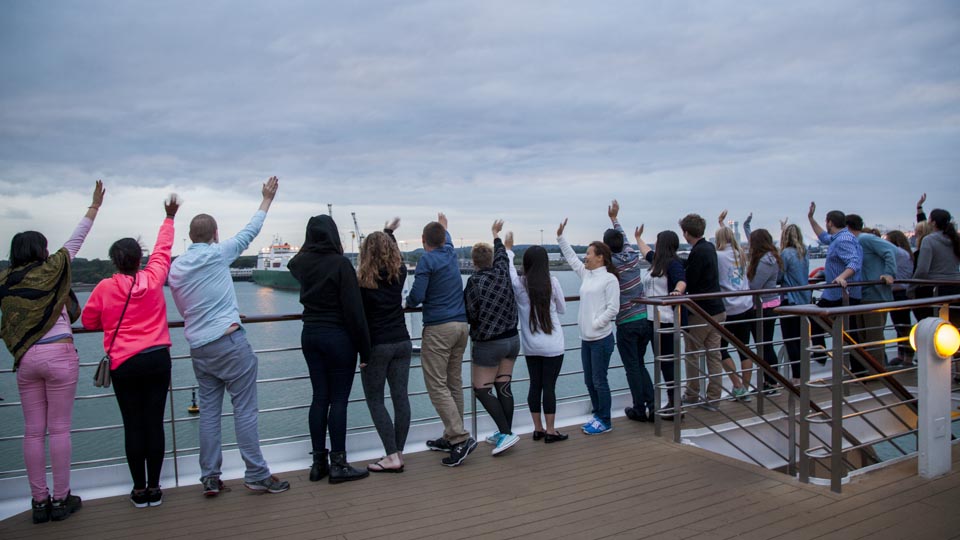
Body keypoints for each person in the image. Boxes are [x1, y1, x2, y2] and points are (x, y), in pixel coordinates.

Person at [167, 176, 289, 496]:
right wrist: (267, 198)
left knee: (209, 413)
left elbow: (194, 302)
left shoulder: (176, 268)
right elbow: (252, 229)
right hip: (229, 343)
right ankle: (256, 473)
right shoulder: (218, 253)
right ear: (215, 235)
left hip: (199, 349)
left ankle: (209, 476)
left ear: (190, 237)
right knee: (245, 411)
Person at [1, 180, 103, 523]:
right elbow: (78, 238)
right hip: (59, 355)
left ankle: (39, 502)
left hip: (26, 358)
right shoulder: (53, 268)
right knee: (59, 429)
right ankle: (61, 499)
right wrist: (94, 206)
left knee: (33, 431)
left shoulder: (6, 281)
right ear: (42, 250)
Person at [81, 194, 179, 508]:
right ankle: (155, 487)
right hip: (157, 360)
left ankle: (139, 490)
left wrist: (113, 325)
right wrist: (169, 217)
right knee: (155, 422)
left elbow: (88, 320)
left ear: (115, 261)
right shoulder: (152, 279)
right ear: (140, 259)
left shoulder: (104, 288)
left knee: (133, 424)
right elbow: (163, 251)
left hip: (124, 364)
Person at [288, 214, 371, 483]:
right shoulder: (340, 265)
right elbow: (354, 312)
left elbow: (293, 261)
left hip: (310, 335)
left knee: (319, 398)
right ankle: (339, 464)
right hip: (338, 338)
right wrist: (365, 350)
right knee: (339, 400)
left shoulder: (301, 263)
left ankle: (317, 463)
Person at [405, 213, 477, 466]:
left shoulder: (427, 259)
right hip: (461, 326)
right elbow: (444, 238)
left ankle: (459, 438)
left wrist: (408, 303)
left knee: (436, 384)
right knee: (453, 382)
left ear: (423, 240)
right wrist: (444, 226)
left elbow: (418, 294)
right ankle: (451, 435)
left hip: (439, 328)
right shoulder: (449, 253)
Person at [357, 219, 412, 473]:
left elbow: (358, 319)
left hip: (377, 345)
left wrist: (362, 351)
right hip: (402, 341)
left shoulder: (361, 281)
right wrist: (389, 233)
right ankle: (397, 451)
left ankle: (391, 455)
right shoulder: (399, 274)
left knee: (375, 400)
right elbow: (397, 256)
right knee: (401, 398)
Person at [557, 218, 620, 435]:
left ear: (600, 257)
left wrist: (595, 323)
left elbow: (613, 309)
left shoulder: (610, 279)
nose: (586, 256)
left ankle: (605, 420)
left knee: (599, 380)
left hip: (601, 339)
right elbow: (572, 258)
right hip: (586, 339)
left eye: (590, 253)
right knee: (589, 380)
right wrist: (560, 237)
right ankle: (598, 415)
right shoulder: (587, 275)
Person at [464, 220, 521, 455]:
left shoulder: (474, 282)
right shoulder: (502, 272)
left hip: (488, 343)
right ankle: (505, 432)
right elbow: (502, 255)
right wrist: (496, 235)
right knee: (503, 385)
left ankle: (506, 433)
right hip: (512, 340)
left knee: (482, 388)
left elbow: (470, 313)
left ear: (474, 262)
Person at [505, 235, 568, 442]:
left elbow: (509, 268)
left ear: (527, 263)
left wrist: (508, 248)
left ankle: (538, 429)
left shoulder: (519, 284)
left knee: (535, 385)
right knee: (549, 387)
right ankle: (551, 431)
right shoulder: (553, 282)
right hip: (553, 345)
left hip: (531, 346)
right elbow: (562, 309)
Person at [604, 200, 656, 422]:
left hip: (626, 322)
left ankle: (639, 409)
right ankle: (653, 406)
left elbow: (617, 242)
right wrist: (615, 219)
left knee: (632, 367)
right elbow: (623, 238)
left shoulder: (611, 263)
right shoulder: (632, 256)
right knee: (640, 364)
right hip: (644, 318)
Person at [636, 227, 687, 420]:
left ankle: (675, 405)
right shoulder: (656, 262)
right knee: (661, 361)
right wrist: (637, 237)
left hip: (665, 321)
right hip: (650, 320)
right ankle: (672, 403)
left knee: (667, 363)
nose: (654, 244)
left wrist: (676, 292)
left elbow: (681, 281)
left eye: (657, 240)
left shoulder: (673, 264)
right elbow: (645, 251)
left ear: (663, 243)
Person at [679, 214, 727, 412]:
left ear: (686, 232)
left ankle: (692, 393)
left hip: (701, 311)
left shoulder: (698, 252)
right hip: (717, 309)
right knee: (714, 355)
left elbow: (691, 279)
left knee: (692, 353)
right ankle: (714, 398)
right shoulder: (709, 248)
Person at [807, 203, 863, 369]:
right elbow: (823, 237)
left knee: (816, 316)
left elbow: (854, 262)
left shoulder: (843, 240)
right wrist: (810, 219)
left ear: (830, 222)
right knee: (849, 332)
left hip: (842, 294)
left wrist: (841, 277)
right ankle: (859, 368)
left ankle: (820, 352)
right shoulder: (839, 238)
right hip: (841, 294)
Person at [845, 214, 897, 366]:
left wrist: (889, 273)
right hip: (864, 293)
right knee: (863, 336)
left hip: (876, 294)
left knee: (873, 336)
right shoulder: (856, 242)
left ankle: (876, 374)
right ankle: (868, 371)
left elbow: (890, 250)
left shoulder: (865, 239)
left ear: (847, 227)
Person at [714, 211, 754, 401]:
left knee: (721, 348)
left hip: (728, 309)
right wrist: (722, 224)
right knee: (744, 348)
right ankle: (745, 387)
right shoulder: (740, 254)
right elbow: (729, 240)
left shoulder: (718, 256)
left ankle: (737, 385)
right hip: (745, 306)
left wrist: (721, 225)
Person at [745, 225, 784, 394]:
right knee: (764, 345)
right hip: (768, 304)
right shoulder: (771, 258)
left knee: (764, 345)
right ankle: (769, 381)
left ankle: (772, 382)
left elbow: (755, 285)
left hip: (763, 306)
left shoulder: (765, 261)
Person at [911, 208, 960, 327]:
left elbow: (922, 269)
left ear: (933, 223)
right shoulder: (955, 239)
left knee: (933, 326)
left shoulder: (928, 240)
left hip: (935, 290)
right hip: (956, 287)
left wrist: (911, 286)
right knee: (954, 325)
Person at [779, 223, 812, 381]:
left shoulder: (785, 254)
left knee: (790, 340)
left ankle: (797, 376)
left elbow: (780, 276)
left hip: (790, 300)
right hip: (804, 299)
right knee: (801, 339)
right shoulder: (804, 252)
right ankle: (804, 373)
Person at [884, 229, 915, 366]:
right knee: (901, 325)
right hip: (902, 292)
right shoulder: (906, 253)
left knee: (902, 325)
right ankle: (902, 355)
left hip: (899, 292)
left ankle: (906, 357)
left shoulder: (898, 253)